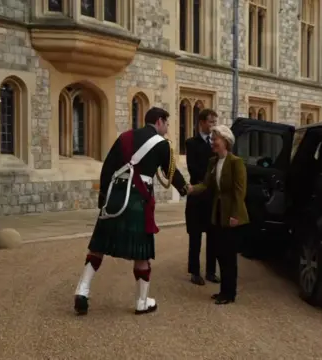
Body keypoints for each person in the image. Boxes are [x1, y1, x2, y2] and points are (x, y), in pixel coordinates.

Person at [73, 107, 190, 316]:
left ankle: (82, 290)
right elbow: (171, 173)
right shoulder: (161, 145)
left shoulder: (125, 137)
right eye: (167, 123)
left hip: (116, 197)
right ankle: (141, 302)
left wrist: (103, 201)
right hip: (138, 200)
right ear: (160, 121)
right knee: (142, 254)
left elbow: (108, 167)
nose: (168, 128)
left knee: (98, 247)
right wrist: (186, 190)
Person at [188, 124, 249, 305]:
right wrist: (191, 189)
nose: (213, 142)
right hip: (218, 214)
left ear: (225, 142)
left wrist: (235, 215)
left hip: (232, 214)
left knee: (229, 255)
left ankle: (230, 294)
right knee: (220, 253)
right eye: (213, 139)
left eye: (216, 139)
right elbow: (206, 185)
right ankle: (224, 290)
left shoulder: (236, 162)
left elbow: (240, 192)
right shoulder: (213, 162)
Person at [185, 108, 220, 286]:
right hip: (198, 196)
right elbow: (194, 169)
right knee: (195, 236)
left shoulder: (217, 144)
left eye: (215, 122)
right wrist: (209, 179)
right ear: (201, 123)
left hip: (213, 197)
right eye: (211, 122)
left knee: (213, 235)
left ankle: (211, 271)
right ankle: (194, 271)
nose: (213, 125)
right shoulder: (191, 143)